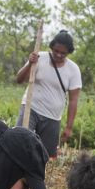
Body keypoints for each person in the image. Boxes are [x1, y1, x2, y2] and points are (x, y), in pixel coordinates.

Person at [15, 30, 82, 158]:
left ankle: (36, 177)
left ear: (69, 52)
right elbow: (19, 80)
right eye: (56, 51)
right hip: (31, 108)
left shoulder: (73, 70)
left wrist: (69, 127)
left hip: (52, 116)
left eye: (63, 53)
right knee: (20, 142)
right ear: (51, 47)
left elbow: (73, 101)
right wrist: (30, 64)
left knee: (46, 154)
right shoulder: (39, 58)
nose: (58, 55)